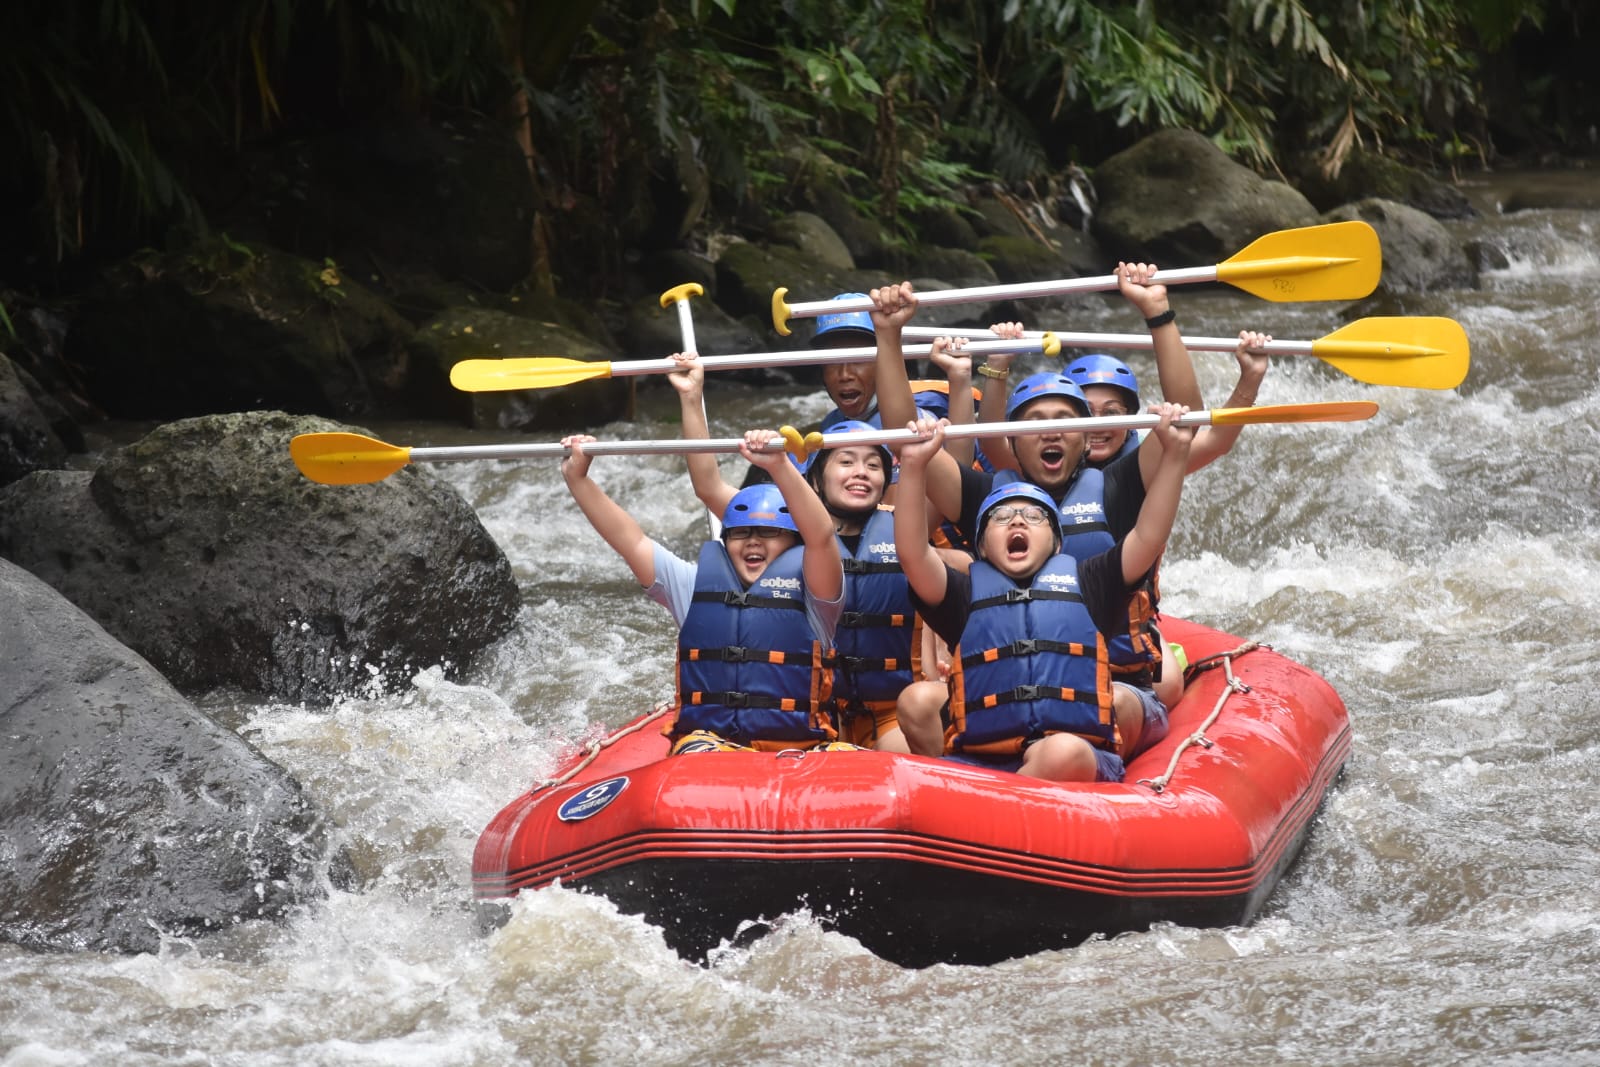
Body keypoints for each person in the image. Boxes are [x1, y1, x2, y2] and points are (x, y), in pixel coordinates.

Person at [869, 274, 1263, 762]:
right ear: (1011, 441)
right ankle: (964, 788)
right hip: (1006, 686)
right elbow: (904, 437)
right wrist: (888, 337)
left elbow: (1186, 420)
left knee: (1115, 701)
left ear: (1086, 438)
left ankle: (1079, 779)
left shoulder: (1117, 487)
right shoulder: (986, 497)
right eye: (1035, 422)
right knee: (919, 701)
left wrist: (1157, 313)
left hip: (1112, 684)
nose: (1052, 431)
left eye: (1066, 421)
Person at [891, 407, 1196, 782]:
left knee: (1062, 753)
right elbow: (911, 552)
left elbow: (1148, 536)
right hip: (983, 760)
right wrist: (913, 465)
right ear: (982, 548)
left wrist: (1175, 455)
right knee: (914, 699)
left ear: (1056, 546)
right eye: (1001, 518)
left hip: (1069, 753)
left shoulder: (1091, 583)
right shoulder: (962, 594)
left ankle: (995, 804)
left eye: (1034, 518)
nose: (1017, 520)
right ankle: (973, 805)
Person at [667, 352, 923, 752]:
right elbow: (708, 485)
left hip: (887, 710)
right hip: (812, 711)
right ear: (816, 480)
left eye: (873, 464)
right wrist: (690, 397)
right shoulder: (787, 527)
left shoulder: (904, 529)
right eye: (846, 461)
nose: (861, 472)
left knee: (901, 758)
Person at [560, 426, 845, 753]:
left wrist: (778, 465)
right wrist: (578, 481)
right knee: (696, 750)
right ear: (726, 542)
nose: (753, 540)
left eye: (768, 532)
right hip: (710, 750)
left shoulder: (816, 595)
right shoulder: (694, 586)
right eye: (741, 533)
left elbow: (821, 536)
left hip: (797, 754)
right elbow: (632, 541)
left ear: (793, 543)